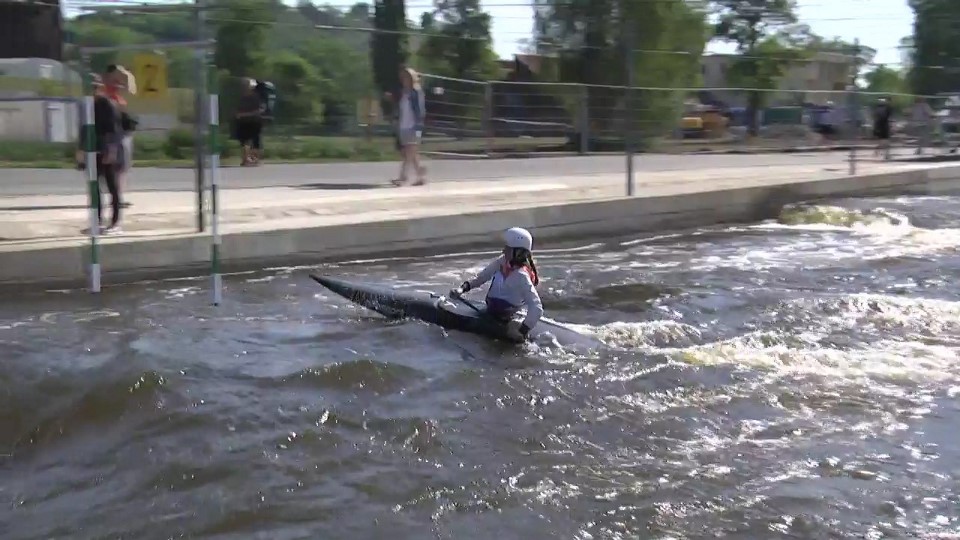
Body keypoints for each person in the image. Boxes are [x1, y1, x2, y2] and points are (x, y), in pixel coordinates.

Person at [450, 227, 544, 341]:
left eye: (507, 249)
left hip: (506, 317)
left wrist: (522, 330)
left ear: (518, 253)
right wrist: (462, 289)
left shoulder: (522, 276)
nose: (503, 251)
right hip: (491, 312)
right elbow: (481, 277)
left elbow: (537, 308)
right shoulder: (502, 262)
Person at [75, 70, 125, 234]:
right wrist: (81, 149)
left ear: (98, 88)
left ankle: (116, 222)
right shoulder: (87, 105)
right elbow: (85, 128)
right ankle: (97, 222)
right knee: (94, 188)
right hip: (93, 151)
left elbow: (114, 130)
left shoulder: (107, 104)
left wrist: (111, 151)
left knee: (112, 188)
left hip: (109, 151)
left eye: (93, 87)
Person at [389, 67, 427, 186]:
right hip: (404, 127)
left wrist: (419, 128)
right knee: (412, 153)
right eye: (404, 77)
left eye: (407, 77)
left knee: (409, 153)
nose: (404, 80)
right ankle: (421, 176)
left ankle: (403, 177)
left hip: (414, 127)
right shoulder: (404, 94)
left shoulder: (416, 92)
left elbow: (420, 110)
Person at [234, 78, 265, 166]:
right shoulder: (241, 97)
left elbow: (260, 110)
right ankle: (246, 159)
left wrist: (244, 114)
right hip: (244, 122)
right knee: (245, 141)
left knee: (254, 141)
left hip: (254, 121)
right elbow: (237, 109)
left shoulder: (256, 97)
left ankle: (254, 159)